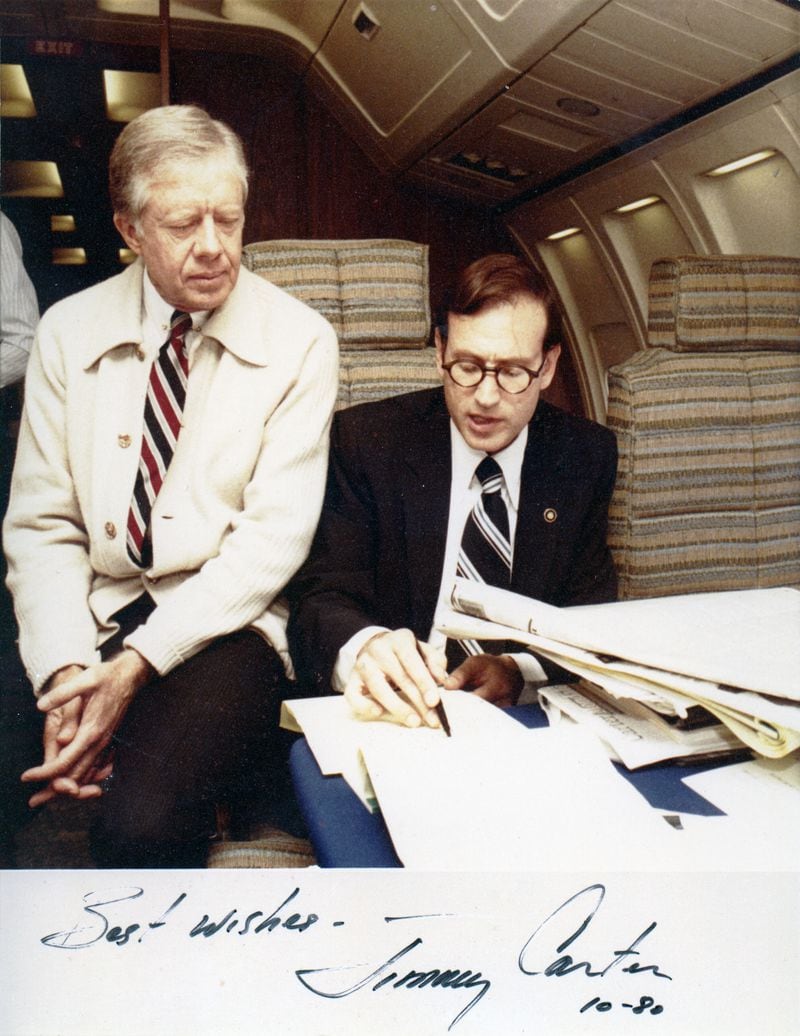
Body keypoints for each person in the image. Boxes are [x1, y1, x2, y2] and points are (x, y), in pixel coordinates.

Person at [2, 105, 338, 867]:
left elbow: (271, 543)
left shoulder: (303, 342)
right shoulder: (65, 331)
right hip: (95, 605)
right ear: (129, 229)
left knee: (140, 827)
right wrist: (64, 673)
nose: (215, 247)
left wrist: (130, 672)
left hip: (229, 626)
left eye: (230, 217)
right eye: (185, 224)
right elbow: (44, 527)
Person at [286, 253, 616, 729]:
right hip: (394, 716)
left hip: (520, 724)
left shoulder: (584, 456)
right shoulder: (366, 441)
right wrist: (368, 647)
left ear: (547, 367)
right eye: (466, 365)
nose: (484, 396)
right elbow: (320, 600)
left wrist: (517, 671)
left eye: (513, 372)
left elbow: (591, 619)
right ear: (439, 349)